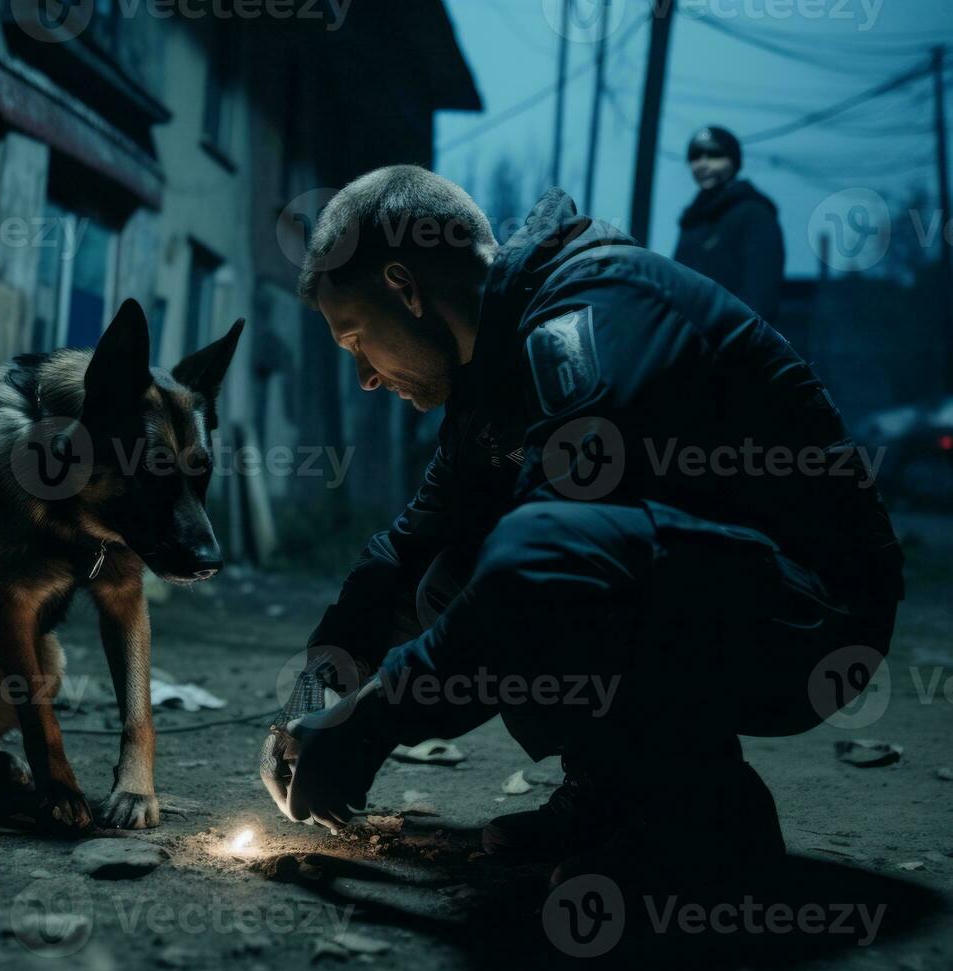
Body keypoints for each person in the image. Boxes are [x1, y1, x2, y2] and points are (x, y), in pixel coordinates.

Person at [259, 166, 903, 893]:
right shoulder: (488, 383)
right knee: (449, 573)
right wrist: (315, 694)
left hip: (814, 613)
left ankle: (707, 815)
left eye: (355, 342)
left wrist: (372, 721)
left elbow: (546, 555)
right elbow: (403, 556)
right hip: (715, 581)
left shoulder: (595, 312)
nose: (366, 378)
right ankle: (617, 791)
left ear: (405, 290)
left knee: (534, 556)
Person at [674, 126, 785, 323]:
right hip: (687, 342)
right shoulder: (692, 221)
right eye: (695, 156)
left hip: (732, 343)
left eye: (714, 155)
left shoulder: (754, 213)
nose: (703, 164)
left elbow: (761, 296)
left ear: (733, 161)